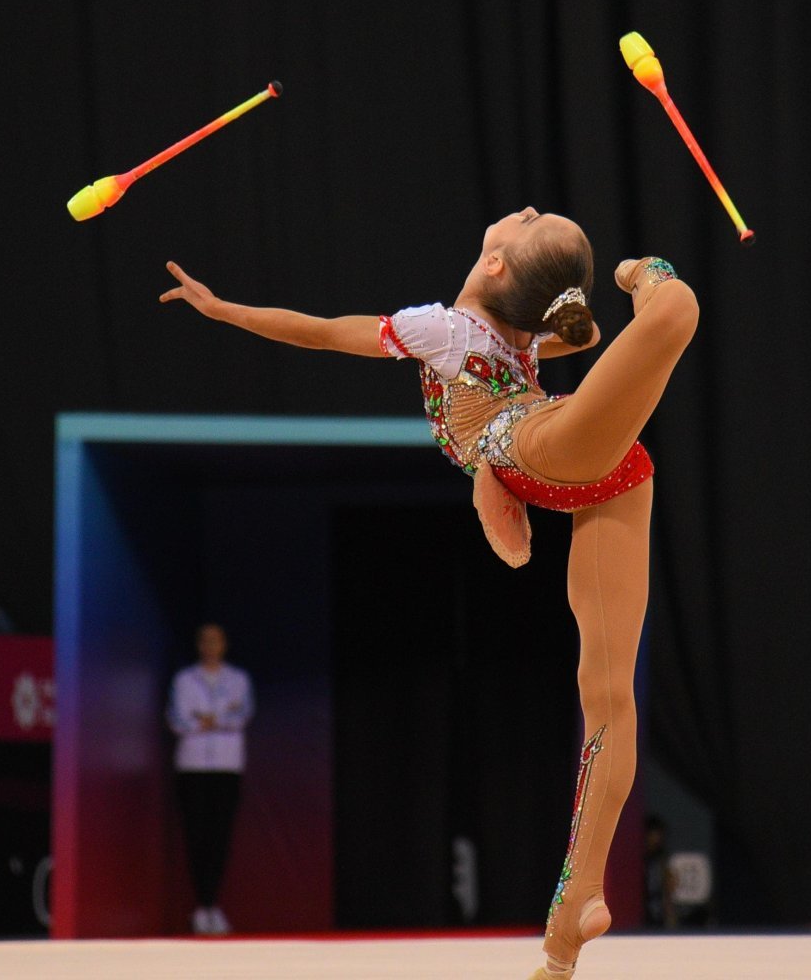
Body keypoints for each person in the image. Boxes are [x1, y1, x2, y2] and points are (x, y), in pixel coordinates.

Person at [159, 206, 699, 979]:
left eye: (531, 219)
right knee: (670, 307)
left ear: (497, 268)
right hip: (540, 448)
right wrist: (612, 284)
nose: (526, 208)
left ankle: (572, 911)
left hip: (559, 456)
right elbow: (581, 337)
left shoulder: (443, 327)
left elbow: (321, 330)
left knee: (608, 697)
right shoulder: (489, 332)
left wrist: (223, 308)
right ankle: (625, 300)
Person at [167, 623, 255, 935]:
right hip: (192, 766)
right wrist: (211, 720)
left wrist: (209, 719)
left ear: (224, 644)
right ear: (198, 645)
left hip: (226, 766)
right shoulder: (184, 679)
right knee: (196, 836)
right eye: (205, 640)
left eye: (216, 640)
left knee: (220, 836)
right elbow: (178, 720)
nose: (210, 645)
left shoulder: (238, 680)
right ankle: (202, 905)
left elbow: (242, 716)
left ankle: (211, 905)